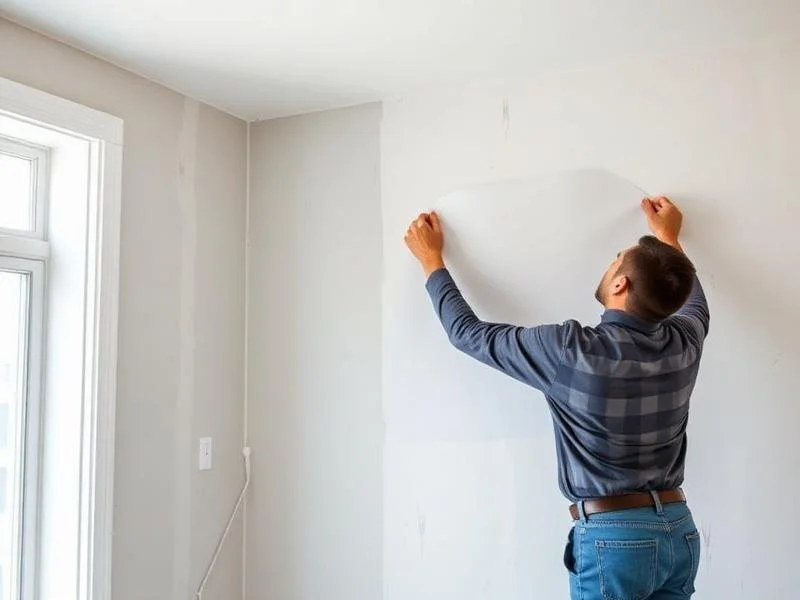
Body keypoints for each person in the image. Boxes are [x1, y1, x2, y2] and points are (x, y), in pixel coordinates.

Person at [404, 196, 709, 600]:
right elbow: (694, 302)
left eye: (616, 259)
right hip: (680, 531)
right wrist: (669, 238)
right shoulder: (685, 342)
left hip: (615, 541)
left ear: (621, 284)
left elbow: (468, 334)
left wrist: (431, 261)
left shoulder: (571, 351)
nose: (610, 264)